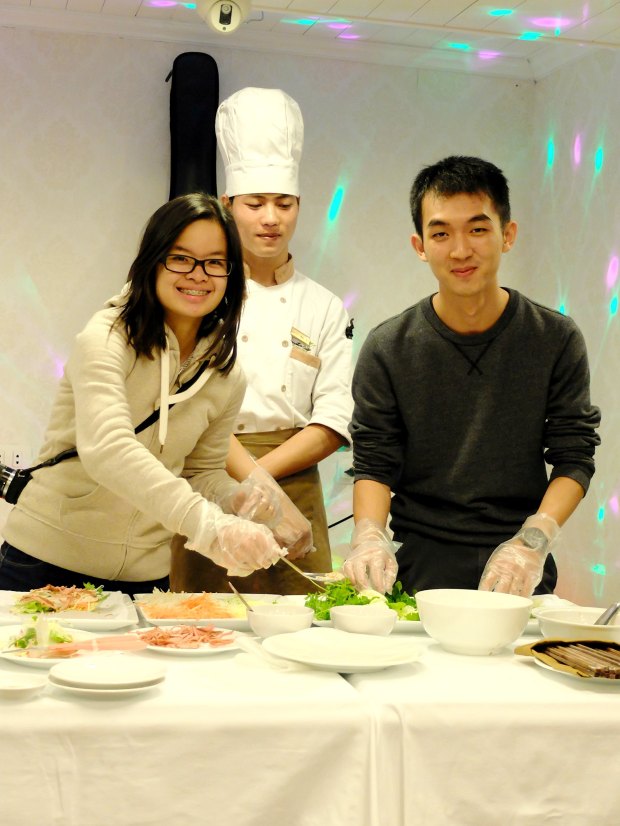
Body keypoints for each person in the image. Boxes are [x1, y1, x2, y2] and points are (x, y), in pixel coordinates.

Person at [0, 193, 289, 596]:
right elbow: (109, 448)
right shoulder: (106, 338)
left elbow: (200, 471)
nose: (198, 275)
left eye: (214, 262)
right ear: (153, 261)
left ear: (231, 273)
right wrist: (208, 526)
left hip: (144, 578)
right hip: (45, 561)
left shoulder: (226, 374)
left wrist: (236, 498)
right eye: (181, 258)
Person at [344, 155, 601, 598]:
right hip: (421, 558)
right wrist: (368, 536)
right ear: (419, 245)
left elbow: (574, 455)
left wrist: (532, 542)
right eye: (441, 233)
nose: (460, 250)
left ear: (508, 234)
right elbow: (374, 460)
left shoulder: (554, 338)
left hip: (519, 556)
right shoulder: (389, 346)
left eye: (478, 229)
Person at [170, 88, 354, 595]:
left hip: (296, 485)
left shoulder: (325, 306)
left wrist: (264, 481)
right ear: (229, 205)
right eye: (255, 203)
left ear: (299, 207)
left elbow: (333, 420)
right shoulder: (200, 293)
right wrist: (245, 484)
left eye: (284, 203)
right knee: (204, 630)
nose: (270, 217)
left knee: (305, 634)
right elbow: (189, 402)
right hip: (213, 483)